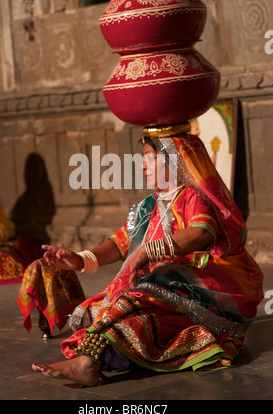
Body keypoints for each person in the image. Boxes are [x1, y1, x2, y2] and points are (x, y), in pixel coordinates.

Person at [26, 124, 263, 386]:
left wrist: (150, 252)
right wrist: (80, 259)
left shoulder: (192, 197)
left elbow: (200, 234)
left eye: (149, 159)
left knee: (134, 302)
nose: (142, 167)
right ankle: (91, 361)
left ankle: (88, 362)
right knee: (116, 313)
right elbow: (120, 243)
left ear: (174, 160)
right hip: (160, 288)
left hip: (199, 290)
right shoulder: (147, 206)